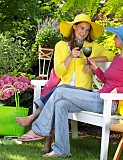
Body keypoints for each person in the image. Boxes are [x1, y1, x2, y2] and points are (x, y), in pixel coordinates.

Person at [18, 23, 123, 158]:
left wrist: (118, 91)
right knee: (60, 104)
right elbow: (108, 81)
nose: (113, 39)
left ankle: (38, 130)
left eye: (116, 36)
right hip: (100, 97)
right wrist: (96, 68)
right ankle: (61, 150)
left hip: (108, 103)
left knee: (60, 91)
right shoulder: (118, 58)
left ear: (122, 40)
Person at [16, 14, 114, 152]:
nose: (83, 33)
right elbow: (59, 72)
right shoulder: (61, 46)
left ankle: (35, 123)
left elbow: (111, 56)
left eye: (87, 30)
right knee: (59, 99)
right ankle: (55, 147)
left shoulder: (91, 46)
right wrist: (70, 56)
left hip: (82, 93)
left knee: (59, 90)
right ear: (74, 27)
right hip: (63, 91)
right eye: (81, 28)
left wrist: (91, 60)